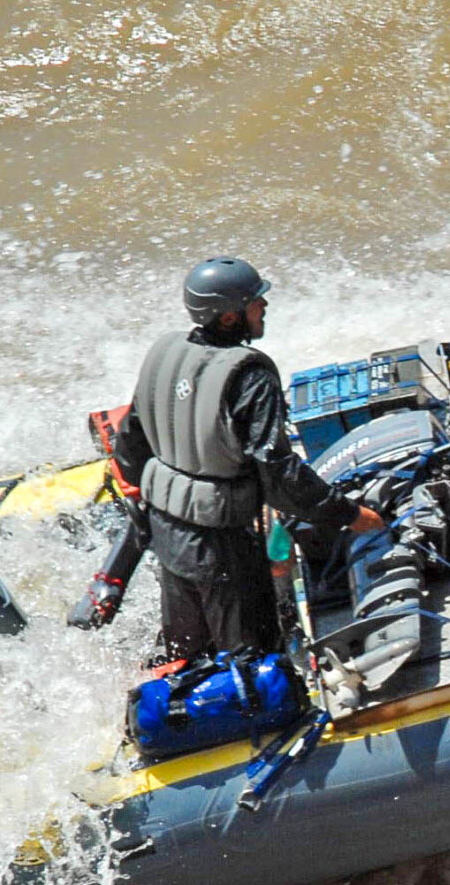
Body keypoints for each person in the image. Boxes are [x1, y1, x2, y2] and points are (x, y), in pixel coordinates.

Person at [113, 257, 383, 660]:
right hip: (221, 547)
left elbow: (130, 446)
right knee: (251, 664)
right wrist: (349, 514)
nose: (264, 308)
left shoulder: (164, 354)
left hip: (166, 534)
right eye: (256, 302)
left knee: (186, 653)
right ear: (228, 317)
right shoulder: (251, 378)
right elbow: (280, 476)